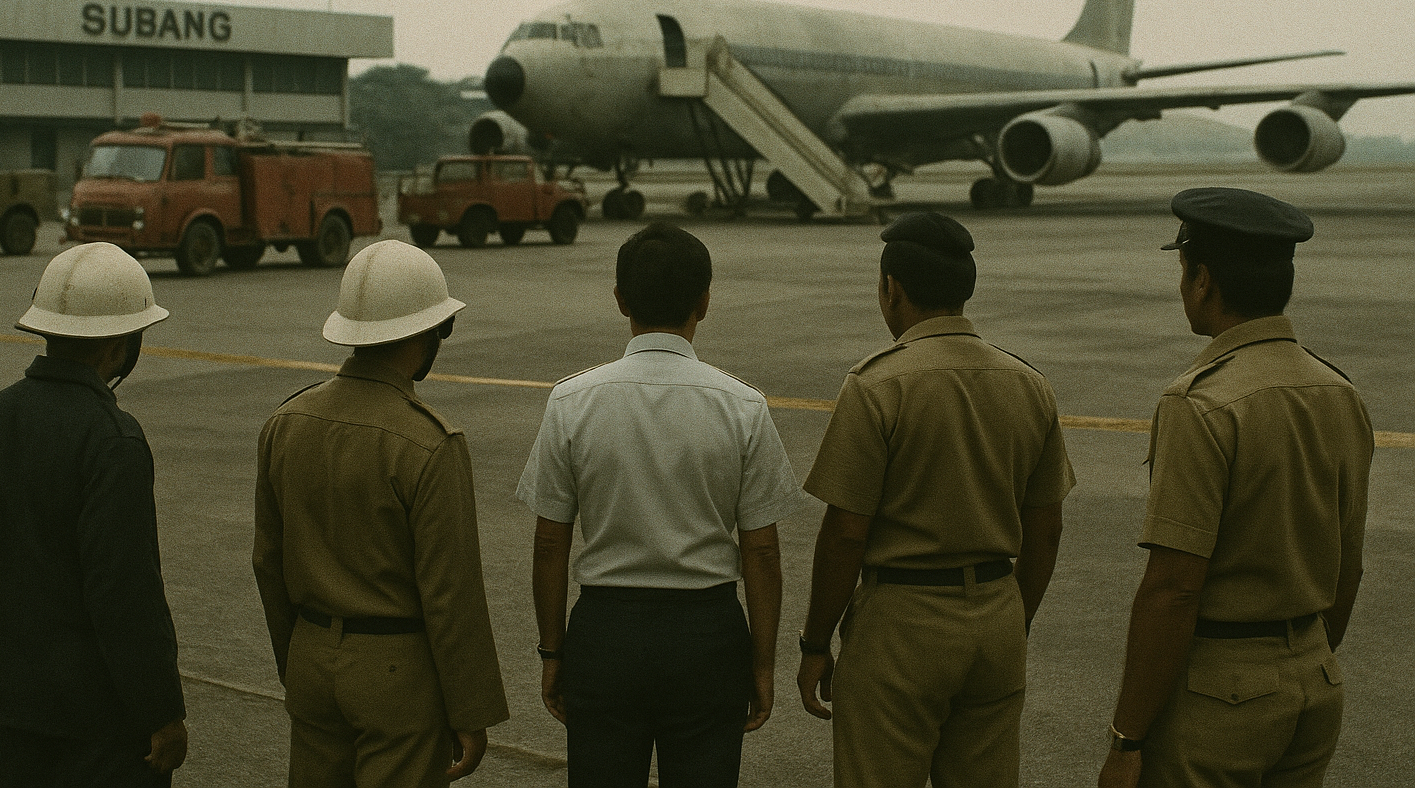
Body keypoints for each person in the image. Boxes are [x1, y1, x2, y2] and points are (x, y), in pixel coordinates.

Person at [1098, 188, 1374, 788]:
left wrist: (1127, 739)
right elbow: (1347, 564)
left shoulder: (1202, 402)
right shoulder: (1338, 391)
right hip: (1314, 682)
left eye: (1184, 271)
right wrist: (1301, 659)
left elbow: (1174, 587)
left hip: (1221, 698)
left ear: (1203, 281)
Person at [516, 221, 804, 788]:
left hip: (606, 631)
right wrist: (762, 662)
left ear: (620, 299)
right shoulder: (743, 406)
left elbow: (550, 543)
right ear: (704, 302)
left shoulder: (571, 401)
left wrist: (553, 652)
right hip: (706, 634)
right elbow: (763, 553)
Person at [796, 211, 1073, 788]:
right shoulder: (1028, 383)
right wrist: (1012, 618)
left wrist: (816, 641)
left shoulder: (877, 384)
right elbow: (1046, 528)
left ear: (891, 289)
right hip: (996, 616)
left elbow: (845, 533)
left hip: (902, 624)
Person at [253, 239, 508, 787]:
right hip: (396, 673)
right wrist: (470, 710)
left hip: (311, 656)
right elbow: (451, 593)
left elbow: (267, 561)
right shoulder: (429, 443)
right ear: (427, 332)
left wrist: (297, 657)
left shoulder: (286, 422)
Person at [0, 241, 188, 787]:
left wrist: (19, 645)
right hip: (105, 724)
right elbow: (125, 593)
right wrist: (162, 712)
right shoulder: (113, 440)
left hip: (22, 712)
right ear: (120, 346)